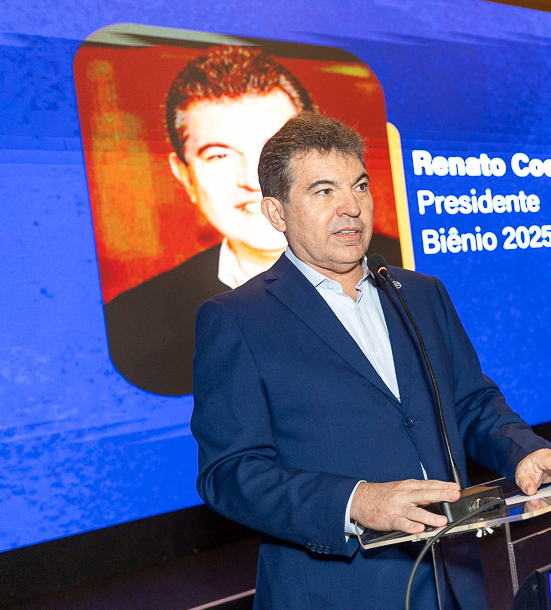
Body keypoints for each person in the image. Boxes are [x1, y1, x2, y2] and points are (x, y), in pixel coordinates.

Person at [191, 112, 551, 610]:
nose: (351, 207)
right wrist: (356, 501)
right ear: (276, 212)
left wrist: (524, 452)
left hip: (449, 602)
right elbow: (230, 473)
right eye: (324, 191)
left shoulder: (421, 293)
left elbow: (471, 403)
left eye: (359, 186)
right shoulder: (237, 319)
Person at [104, 45, 400, 396]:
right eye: (220, 156)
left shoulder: (403, 272)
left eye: (273, 153)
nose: (252, 180)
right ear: (184, 176)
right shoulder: (131, 326)